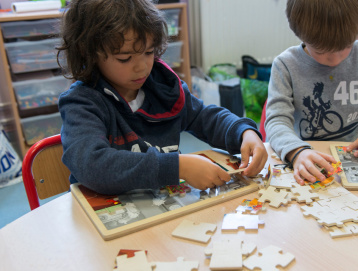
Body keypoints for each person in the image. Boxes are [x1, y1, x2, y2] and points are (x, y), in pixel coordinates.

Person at [56, 0, 267, 195]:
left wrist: (244, 132)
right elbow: (93, 166)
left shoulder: (164, 89)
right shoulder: (81, 103)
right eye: (125, 58)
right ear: (88, 53)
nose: (142, 67)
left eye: (149, 53)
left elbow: (205, 117)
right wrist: (179, 167)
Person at [265, 0, 358, 185]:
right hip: (307, 162)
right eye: (320, 51)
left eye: (344, 47)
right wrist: (296, 151)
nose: (334, 59)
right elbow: (277, 121)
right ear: (299, 33)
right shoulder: (285, 65)